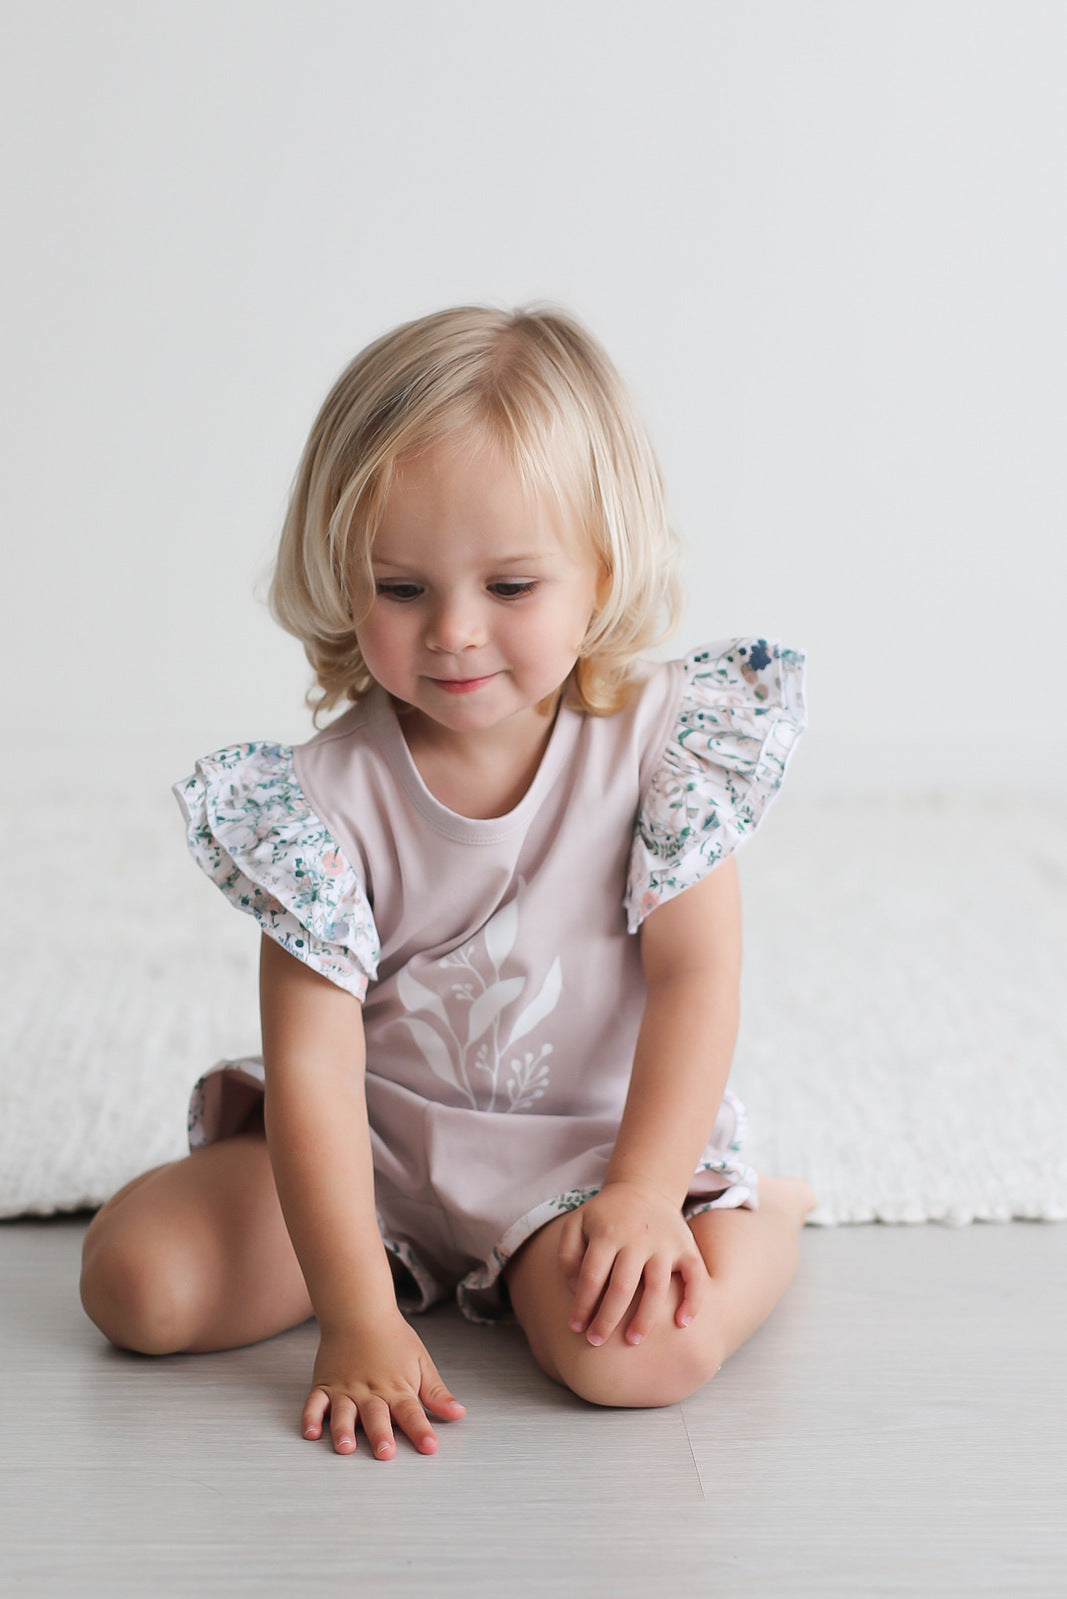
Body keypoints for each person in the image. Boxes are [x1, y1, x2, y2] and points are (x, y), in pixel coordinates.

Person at [80, 305, 814, 1460]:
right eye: (401, 588)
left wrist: (637, 1192)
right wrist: (356, 1314)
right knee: (137, 1285)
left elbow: (694, 980)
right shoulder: (320, 802)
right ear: (342, 575)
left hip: (578, 1159)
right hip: (375, 1151)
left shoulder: (661, 748)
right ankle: (390, 1270)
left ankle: (765, 1215)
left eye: (512, 588)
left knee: (644, 1359)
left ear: (601, 572)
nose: (456, 634)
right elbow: (315, 1062)